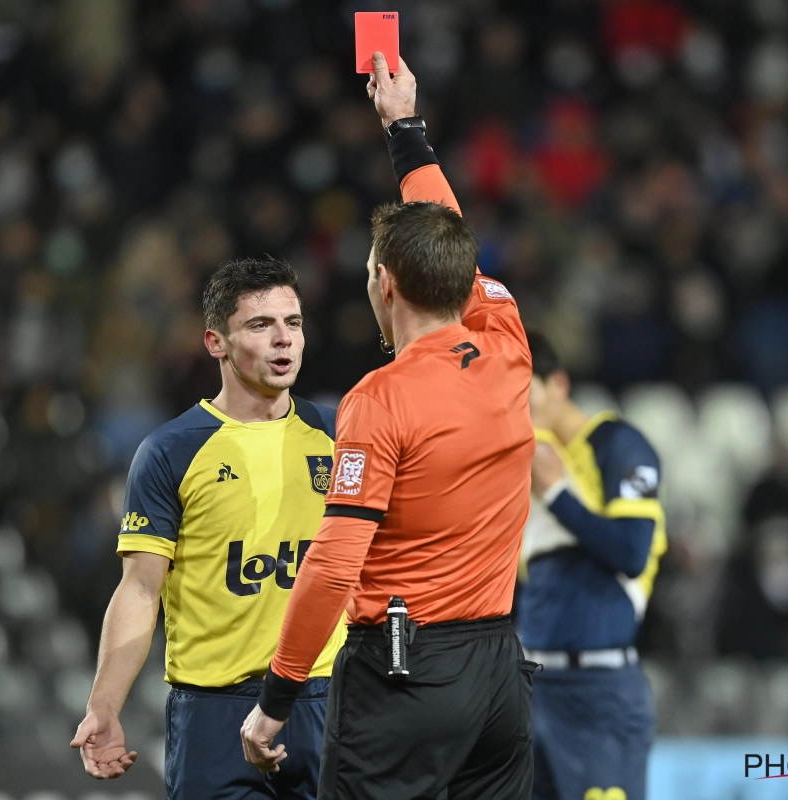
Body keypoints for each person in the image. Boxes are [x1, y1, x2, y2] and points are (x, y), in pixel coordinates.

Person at [239, 53, 537, 800]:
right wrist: (406, 130)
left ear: (385, 284)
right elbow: (450, 237)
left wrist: (276, 701)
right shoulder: (507, 345)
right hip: (500, 678)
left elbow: (336, 565)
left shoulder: (380, 398)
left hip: (407, 678)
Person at [71, 257, 347, 800]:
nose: (282, 340)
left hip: (328, 703)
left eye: (292, 323)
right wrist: (103, 705)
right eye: (259, 325)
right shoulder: (170, 451)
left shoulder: (341, 435)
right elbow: (140, 588)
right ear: (216, 343)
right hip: (214, 713)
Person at [520, 330, 667, 800]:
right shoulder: (522, 462)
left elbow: (630, 551)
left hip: (598, 690)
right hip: (533, 688)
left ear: (558, 384)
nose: (514, 406)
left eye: (523, 389)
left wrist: (558, 494)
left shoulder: (618, 445)